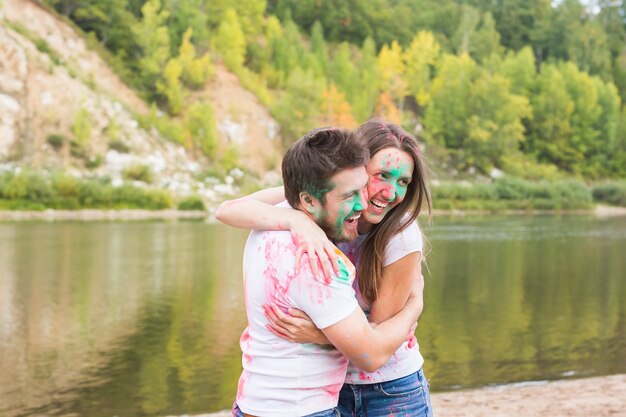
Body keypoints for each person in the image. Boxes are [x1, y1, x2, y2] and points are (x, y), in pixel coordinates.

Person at [217, 118, 434, 417]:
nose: (390, 192)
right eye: (381, 175)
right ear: (358, 169)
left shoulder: (400, 237)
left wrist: (414, 306)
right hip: (331, 387)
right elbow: (228, 209)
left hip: (387, 387)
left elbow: (375, 343)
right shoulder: (328, 199)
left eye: (403, 182)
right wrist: (297, 220)